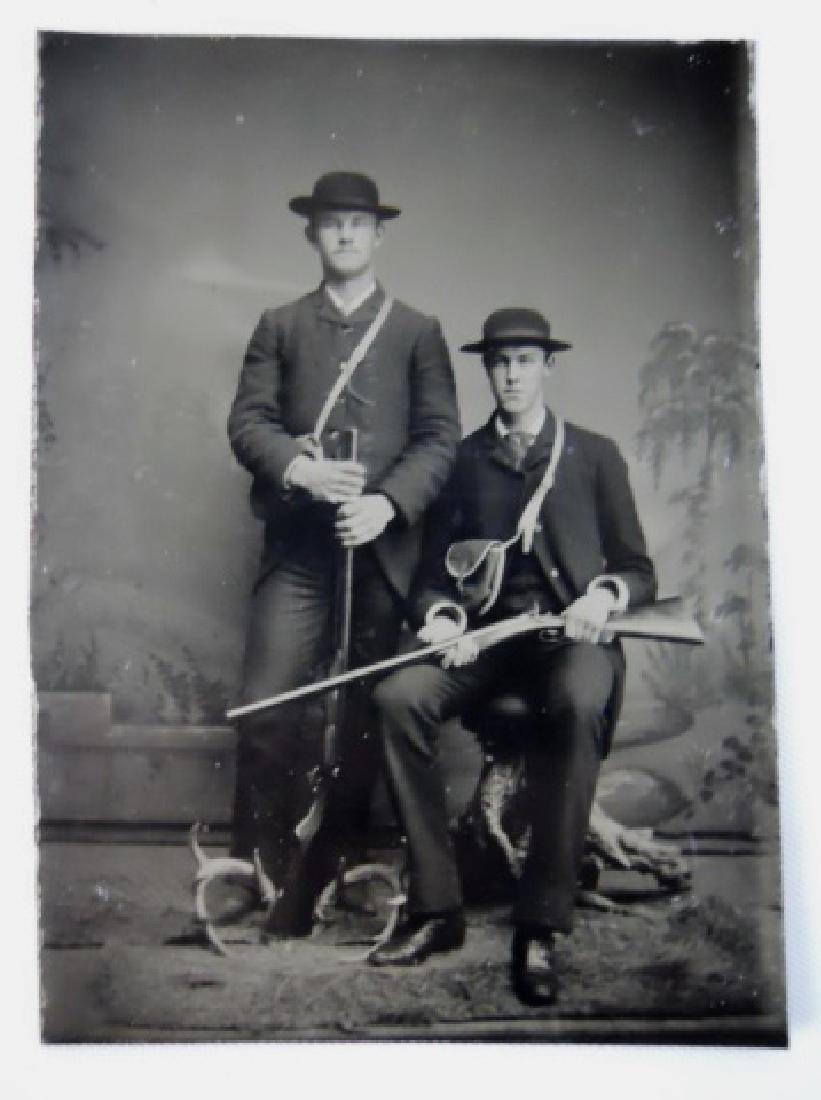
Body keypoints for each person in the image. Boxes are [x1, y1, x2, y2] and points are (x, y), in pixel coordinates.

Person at [369, 307, 656, 1005]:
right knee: (395, 698)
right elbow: (434, 575)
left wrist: (605, 597)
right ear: (486, 370)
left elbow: (637, 568)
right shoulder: (464, 461)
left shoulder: (593, 454)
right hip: (486, 643)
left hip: (570, 641)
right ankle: (437, 908)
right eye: (499, 362)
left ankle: (540, 924)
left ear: (547, 368)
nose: (510, 374)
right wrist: (438, 618)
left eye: (525, 360)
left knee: (579, 700)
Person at [227, 171, 460, 934]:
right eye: (333, 223)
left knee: (363, 711)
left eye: (359, 223)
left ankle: (342, 870)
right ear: (312, 234)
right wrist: (303, 469)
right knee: (268, 704)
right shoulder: (280, 324)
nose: (347, 235)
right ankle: (255, 870)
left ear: (378, 235)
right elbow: (249, 422)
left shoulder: (417, 330)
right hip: (301, 550)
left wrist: (385, 503)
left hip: (383, 551)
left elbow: (437, 438)